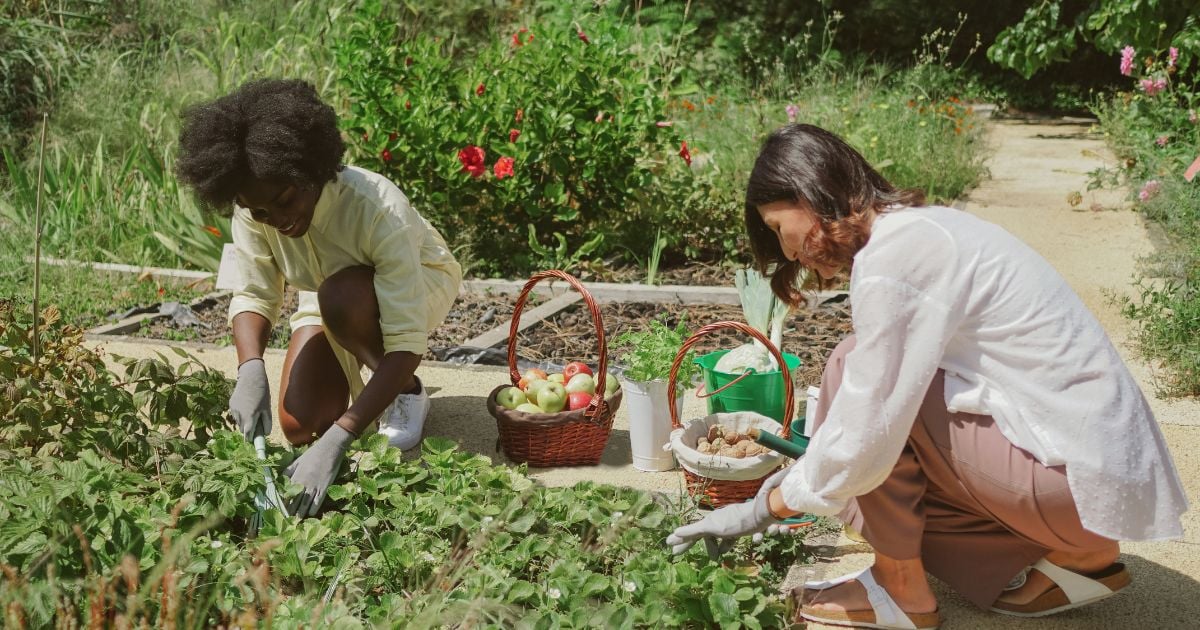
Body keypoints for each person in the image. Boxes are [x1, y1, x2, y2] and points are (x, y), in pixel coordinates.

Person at [666, 124, 1188, 629]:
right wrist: (810, 476)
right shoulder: (923, 228)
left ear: (808, 191)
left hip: (1075, 485)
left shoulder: (897, 255)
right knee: (864, 384)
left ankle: (900, 591)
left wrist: (762, 508)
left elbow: (869, 426)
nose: (785, 250)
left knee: (858, 380)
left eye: (780, 228)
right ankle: (1082, 555)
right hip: (1095, 476)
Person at [176, 78, 462, 517]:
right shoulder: (254, 209)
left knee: (342, 299)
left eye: (286, 200)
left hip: (417, 282)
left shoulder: (378, 208)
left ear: (310, 170)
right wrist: (250, 369)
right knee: (299, 424)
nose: (279, 220)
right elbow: (254, 292)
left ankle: (406, 393)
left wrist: (341, 438)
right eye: (262, 212)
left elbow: (405, 340)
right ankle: (363, 380)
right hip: (326, 293)